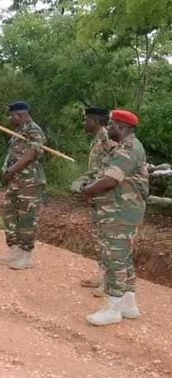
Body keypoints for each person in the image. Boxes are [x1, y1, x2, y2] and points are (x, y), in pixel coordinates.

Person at [82, 109, 148, 326]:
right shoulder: (124, 147)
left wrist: (88, 190)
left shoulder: (129, 149)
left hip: (120, 212)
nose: (108, 128)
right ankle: (129, 305)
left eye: (111, 125)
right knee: (123, 258)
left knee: (114, 259)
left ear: (121, 127)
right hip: (120, 211)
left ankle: (112, 307)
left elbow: (111, 179)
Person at [71, 106, 116, 296]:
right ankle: (101, 275)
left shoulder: (108, 138)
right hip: (97, 192)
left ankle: (109, 282)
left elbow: (112, 167)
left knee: (107, 238)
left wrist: (93, 186)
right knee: (99, 237)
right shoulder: (98, 138)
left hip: (106, 194)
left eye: (86, 120)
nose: (84, 123)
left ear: (96, 122)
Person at [0, 101, 46, 269]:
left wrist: (10, 171)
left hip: (29, 182)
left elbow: (30, 154)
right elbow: (12, 154)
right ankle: (15, 251)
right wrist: (6, 170)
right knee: (10, 215)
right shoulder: (18, 131)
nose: (10, 118)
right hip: (15, 182)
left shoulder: (34, 130)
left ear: (19, 115)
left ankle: (26, 256)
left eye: (11, 115)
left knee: (27, 218)